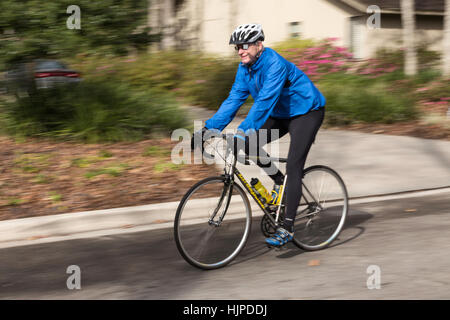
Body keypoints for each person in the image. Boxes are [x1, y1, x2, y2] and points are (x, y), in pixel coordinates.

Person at [191, 23, 326, 247]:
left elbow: (264, 103)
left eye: (244, 45)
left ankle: (288, 227)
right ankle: (279, 181)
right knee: (249, 144)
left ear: (258, 44)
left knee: (294, 165)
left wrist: (242, 131)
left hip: (306, 112)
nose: (240, 50)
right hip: (281, 113)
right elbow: (233, 100)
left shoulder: (274, 64)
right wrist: (208, 129)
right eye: (237, 47)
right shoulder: (244, 69)